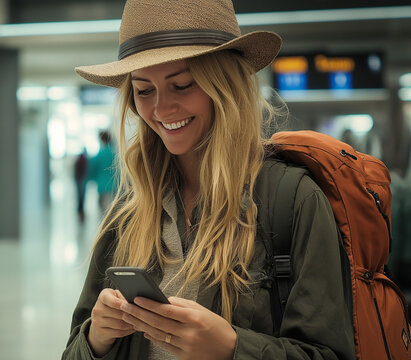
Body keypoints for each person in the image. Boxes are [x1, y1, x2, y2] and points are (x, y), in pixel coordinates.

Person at [62, 0, 354, 359]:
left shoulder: (292, 201)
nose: (161, 109)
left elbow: (330, 353)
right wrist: (96, 338)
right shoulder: (129, 212)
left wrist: (233, 347)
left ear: (225, 85)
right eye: (143, 90)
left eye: (182, 85)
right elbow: (73, 351)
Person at [88, 131, 118, 214]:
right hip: (115, 186)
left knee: (104, 212)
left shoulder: (99, 154)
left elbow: (92, 169)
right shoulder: (115, 153)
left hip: (103, 186)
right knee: (114, 211)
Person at [74, 150, 89, 222]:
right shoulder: (83, 161)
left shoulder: (78, 161)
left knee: (80, 195)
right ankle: (80, 210)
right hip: (81, 180)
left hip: (79, 180)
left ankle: (80, 210)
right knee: (81, 195)